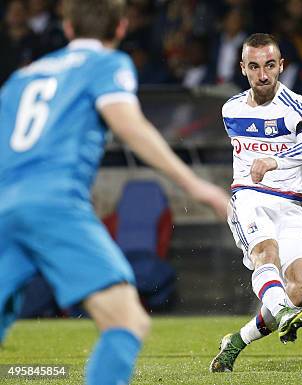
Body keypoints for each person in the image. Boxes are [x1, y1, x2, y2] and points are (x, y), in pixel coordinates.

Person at [0, 1, 229, 385]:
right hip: (55, 205)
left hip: (6, 208)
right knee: (127, 320)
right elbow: (130, 125)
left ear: (68, 28)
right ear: (121, 27)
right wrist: (196, 185)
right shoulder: (108, 64)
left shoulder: (23, 77)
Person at [209, 33, 302, 373]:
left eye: (270, 65)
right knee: (266, 254)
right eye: (254, 66)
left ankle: (237, 341)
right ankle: (283, 312)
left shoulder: (300, 108)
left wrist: (276, 160)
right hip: (249, 197)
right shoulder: (231, 109)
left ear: (281, 66)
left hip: (289, 205)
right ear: (243, 68)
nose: (263, 75)